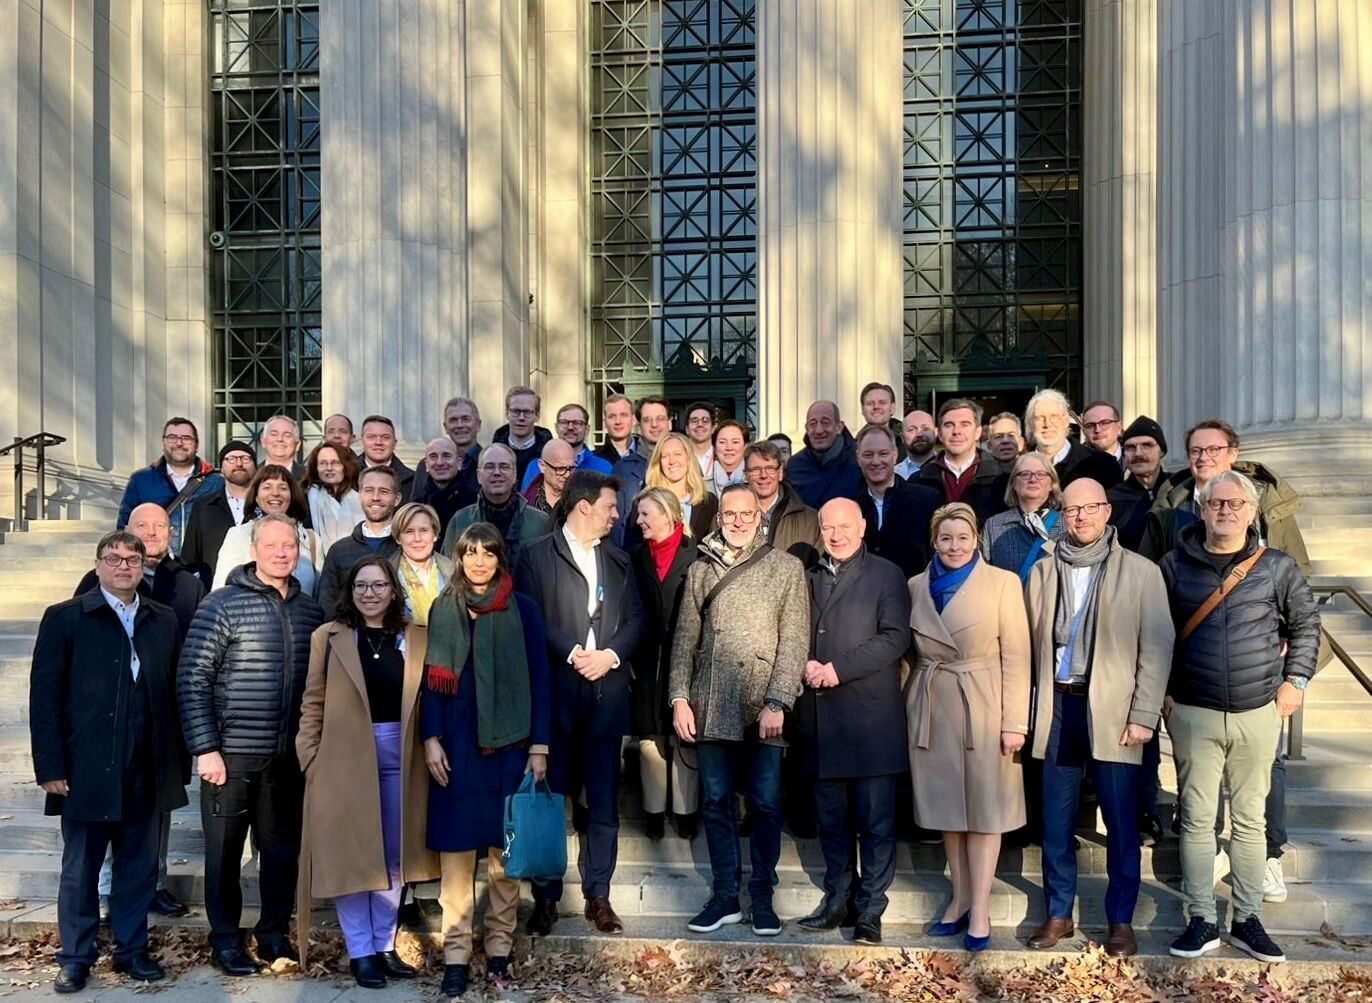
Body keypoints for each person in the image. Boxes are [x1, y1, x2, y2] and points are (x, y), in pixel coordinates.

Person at [1160, 470, 1319, 964]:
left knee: (1250, 822)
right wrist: (1163, 694)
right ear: (1201, 510)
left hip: (1258, 710)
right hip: (1193, 711)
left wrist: (1295, 683)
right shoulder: (1172, 565)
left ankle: (1247, 918)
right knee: (1197, 820)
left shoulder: (1277, 567)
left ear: (1252, 512)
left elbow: (1307, 625)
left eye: (1235, 504)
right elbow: (1152, 632)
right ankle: (1201, 918)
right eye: (1216, 504)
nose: (1225, 511)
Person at [31, 531, 188, 992]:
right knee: (81, 869)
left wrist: (177, 761)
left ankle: (131, 950)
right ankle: (76, 957)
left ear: (143, 565)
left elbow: (175, 693)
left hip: (148, 763)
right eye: (113, 558)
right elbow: (44, 698)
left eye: (132, 559)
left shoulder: (162, 619)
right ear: (98, 565)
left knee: (139, 866)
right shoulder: (66, 618)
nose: (123, 566)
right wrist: (50, 766)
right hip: (86, 768)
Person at [1022, 479, 1173, 958]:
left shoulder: (1142, 573)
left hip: (1115, 710)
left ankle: (1120, 920)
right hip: (1059, 706)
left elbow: (1157, 648)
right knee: (1056, 822)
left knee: (1120, 823)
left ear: (1107, 512)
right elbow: (1028, 647)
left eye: (1090, 508)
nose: (1081, 517)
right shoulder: (1043, 572)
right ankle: (1059, 913)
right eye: (1071, 509)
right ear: (1061, 515)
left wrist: (1144, 714)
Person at [178, 514, 325, 975]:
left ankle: (273, 933)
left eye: (290, 546)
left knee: (282, 852)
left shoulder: (310, 612)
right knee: (224, 852)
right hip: (231, 754)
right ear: (254, 551)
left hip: (287, 759)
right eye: (273, 545)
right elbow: (192, 678)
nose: (283, 553)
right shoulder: (220, 605)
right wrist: (205, 748)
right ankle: (225, 939)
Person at [668, 484, 808, 938]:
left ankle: (763, 895)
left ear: (760, 518)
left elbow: (794, 641)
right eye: (731, 513)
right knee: (716, 801)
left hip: (763, 703)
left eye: (747, 513)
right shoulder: (701, 570)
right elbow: (684, 640)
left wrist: (778, 701)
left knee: (766, 803)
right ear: (719, 517)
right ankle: (725, 894)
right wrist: (679, 699)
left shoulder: (786, 568)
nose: (739, 520)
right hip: (710, 701)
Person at [295, 557, 438, 988]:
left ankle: (383, 945)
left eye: (379, 585)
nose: (370, 593)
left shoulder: (416, 637)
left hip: (403, 756)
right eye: (361, 586)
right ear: (350, 592)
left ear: (394, 591)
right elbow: (313, 701)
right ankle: (360, 952)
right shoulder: (331, 637)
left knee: (393, 856)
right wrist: (311, 757)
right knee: (353, 857)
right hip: (344, 759)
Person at [422, 524, 551, 996]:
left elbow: (540, 680)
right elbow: (430, 683)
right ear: (459, 558)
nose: (479, 562)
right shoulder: (444, 608)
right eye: (470, 553)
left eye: (487, 553)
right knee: (456, 857)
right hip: (456, 746)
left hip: (511, 747)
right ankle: (455, 955)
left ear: (500, 558)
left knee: (504, 858)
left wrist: (540, 745)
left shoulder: (525, 610)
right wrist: (430, 738)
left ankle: (499, 949)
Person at [513, 471, 645, 936]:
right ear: (584, 507)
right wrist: (572, 652)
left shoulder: (619, 559)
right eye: (611, 506)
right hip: (556, 701)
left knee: (604, 804)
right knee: (550, 803)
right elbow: (530, 618)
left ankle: (599, 895)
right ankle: (546, 898)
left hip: (606, 699)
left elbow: (636, 619)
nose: (617, 514)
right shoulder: (533, 555)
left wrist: (609, 656)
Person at [907, 502, 1030, 953]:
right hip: (934, 704)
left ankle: (980, 907)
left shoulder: (1002, 583)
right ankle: (958, 899)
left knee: (984, 811)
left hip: (984, 703)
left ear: (976, 539)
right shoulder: (916, 585)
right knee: (947, 812)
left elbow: (1018, 656)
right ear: (934, 542)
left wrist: (1015, 721)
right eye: (945, 538)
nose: (954, 546)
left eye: (962, 537)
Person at [793, 499, 910, 946]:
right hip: (821, 719)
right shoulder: (807, 574)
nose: (836, 534)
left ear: (862, 526)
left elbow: (895, 637)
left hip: (869, 719)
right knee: (832, 820)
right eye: (828, 526)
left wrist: (836, 669)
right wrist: (802, 663)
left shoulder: (886, 574)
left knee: (876, 822)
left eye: (845, 525)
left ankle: (870, 910)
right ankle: (837, 899)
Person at [1140, 419, 1310, 571]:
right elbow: (1148, 573)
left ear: (1233, 454)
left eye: (1213, 449)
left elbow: (1297, 564)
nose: (1203, 457)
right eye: (1196, 451)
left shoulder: (1267, 500)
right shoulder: (1167, 510)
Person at [629, 488, 701, 841]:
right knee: (650, 738)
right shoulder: (633, 557)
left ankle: (685, 812)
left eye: (645, 514)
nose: (638, 521)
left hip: (685, 658)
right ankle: (654, 812)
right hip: (644, 661)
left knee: (684, 738)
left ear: (668, 514)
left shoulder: (696, 557)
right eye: (637, 515)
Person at [77, 503, 205, 637]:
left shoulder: (191, 586)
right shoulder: (97, 580)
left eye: (160, 525)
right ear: (127, 531)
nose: (151, 532)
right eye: (142, 525)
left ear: (171, 533)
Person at [117, 417, 221, 557]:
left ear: (196, 445)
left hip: (201, 566)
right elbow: (124, 527)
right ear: (163, 442)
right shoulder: (141, 480)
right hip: (154, 564)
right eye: (172, 437)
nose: (179, 443)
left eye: (186, 438)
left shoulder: (216, 483)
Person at [213, 465, 321, 595]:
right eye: (267, 487)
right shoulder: (238, 536)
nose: (275, 493)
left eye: (283, 488)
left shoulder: (312, 540)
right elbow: (220, 591)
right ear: (256, 496)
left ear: (292, 495)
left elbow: (319, 596)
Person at [441, 444, 553, 570]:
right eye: (489, 467)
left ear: (514, 475)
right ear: (478, 476)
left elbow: (548, 572)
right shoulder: (461, 521)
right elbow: (449, 571)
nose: (497, 472)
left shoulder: (539, 522)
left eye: (504, 467)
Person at [855, 423, 942, 579]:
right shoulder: (849, 505)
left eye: (883, 454)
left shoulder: (927, 501)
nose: (875, 461)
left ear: (895, 455)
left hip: (913, 597)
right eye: (868, 454)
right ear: (858, 458)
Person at [318, 465, 404, 617]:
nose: (375, 497)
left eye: (383, 491)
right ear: (360, 496)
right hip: (350, 637)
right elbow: (327, 605)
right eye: (369, 490)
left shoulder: (407, 547)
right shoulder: (339, 550)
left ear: (397, 499)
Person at [913, 398, 1010, 526]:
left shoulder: (1003, 480)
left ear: (978, 432)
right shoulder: (919, 481)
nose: (956, 431)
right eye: (949, 425)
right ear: (940, 433)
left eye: (964, 424)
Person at [980, 453, 1067, 582]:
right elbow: (984, 574)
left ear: (1052, 484)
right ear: (1014, 483)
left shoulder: (1066, 523)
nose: (1033, 479)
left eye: (1041, 474)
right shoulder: (994, 525)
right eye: (1025, 474)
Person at [181, 441, 256, 585]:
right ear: (221, 468)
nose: (239, 463)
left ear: (255, 466)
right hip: (214, 592)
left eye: (245, 458)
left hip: (259, 591)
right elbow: (190, 558)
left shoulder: (266, 507)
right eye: (231, 459)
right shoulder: (203, 506)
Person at [627, 432, 719, 545]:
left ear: (688, 458)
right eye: (665, 456)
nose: (672, 461)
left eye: (677, 454)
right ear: (658, 462)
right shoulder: (643, 503)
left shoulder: (709, 502)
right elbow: (634, 549)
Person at [1023, 390, 1122, 489]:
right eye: (1039, 418)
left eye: (1054, 416)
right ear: (1031, 424)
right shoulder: (1019, 468)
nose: (1047, 424)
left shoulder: (1103, 465)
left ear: (1066, 421)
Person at [743, 440, 820, 567]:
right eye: (756, 469)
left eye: (770, 469)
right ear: (745, 475)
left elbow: (817, 574)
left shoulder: (811, 521)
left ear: (780, 473)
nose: (763, 475)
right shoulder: (726, 517)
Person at [612, 395, 672, 545]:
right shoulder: (623, 469)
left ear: (669, 423)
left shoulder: (684, 464)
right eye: (647, 420)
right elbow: (617, 524)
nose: (654, 425)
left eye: (660, 419)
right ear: (638, 425)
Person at [1107, 416, 1170, 553]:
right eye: (1130, 447)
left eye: (1147, 445)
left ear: (1162, 451)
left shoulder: (1179, 488)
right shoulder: (1111, 499)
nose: (1138, 453)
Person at [786, 401, 862, 509]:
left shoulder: (859, 460)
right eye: (813, 424)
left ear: (839, 427)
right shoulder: (795, 465)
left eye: (825, 423)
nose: (819, 430)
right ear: (807, 429)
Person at [521, 403, 613, 491]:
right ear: (556, 427)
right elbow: (528, 503)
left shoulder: (604, 467)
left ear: (587, 429)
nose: (570, 427)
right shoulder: (537, 466)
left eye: (577, 423)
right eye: (564, 422)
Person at [389, 503, 454, 626]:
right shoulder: (386, 575)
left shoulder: (454, 572)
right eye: (409, 531)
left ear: (435, 535)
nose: (417, 538)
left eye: (424, 530)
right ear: (398, 538)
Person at [411, 396, 482, 504]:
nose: (459, 425)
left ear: (478, 425)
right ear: (445, 427)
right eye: (453, 420)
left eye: (465, 419)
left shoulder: (489, 463)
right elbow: (415, 506)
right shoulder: (425, 465)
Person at [302, 442, 363, 555]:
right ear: (315, 468)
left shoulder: (360, 496)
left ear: (345, 465)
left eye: (335, 463)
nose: (329, 468)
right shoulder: (306, 499)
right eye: (323, 463)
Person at [412, 436, 472, 535]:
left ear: (459, 463)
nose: (439, 462)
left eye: (446, 456)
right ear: (426, 465)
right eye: (433, 457)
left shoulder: (474, 502)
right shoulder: (416, 505)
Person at [493, 386, 553, 483]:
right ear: (507, 413)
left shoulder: (549, 456)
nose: (521, 417)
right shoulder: (492, 454)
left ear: (537, 416)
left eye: (527, 412)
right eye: (515, 411)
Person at [358, 415, 415, 498]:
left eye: (385, 437)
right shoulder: (345, 476)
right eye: (371, 437)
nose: (378, 442)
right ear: (362, 442)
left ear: (395, 443)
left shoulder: (413, 481)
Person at [523, 439, 576, 514]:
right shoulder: (523, 504)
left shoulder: (581, 502)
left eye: (571, 468)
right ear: (542, 466)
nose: (567, 475)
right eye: (560, 469)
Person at [859, 382, 907, 461]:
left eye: (882, 402)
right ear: (862, 410)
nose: (876, 407)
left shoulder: (908, 443)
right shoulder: (852, 447)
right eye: (870, 403)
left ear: (892, 408)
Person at [594, 392, 638, 465]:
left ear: (634, 420)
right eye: (612, 416)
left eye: (623, 415)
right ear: (604, 423)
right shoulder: (595, 460)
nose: (618, 421)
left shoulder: (649, 456)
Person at [894, 409, 937, 479]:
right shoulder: (893, 475)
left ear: (936, 432)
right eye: (911, 430)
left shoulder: (951, 471)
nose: (919, 434)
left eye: (925, 428)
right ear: (902, 438)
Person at [259, 414, 305, 479]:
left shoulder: (309, 478)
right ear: (263, 441)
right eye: (274, 434)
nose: (280, 439)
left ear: (297, 445)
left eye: (287, 435)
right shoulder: (250, 475)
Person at [710, 420, 748, 493]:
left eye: (735, 442)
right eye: (722, 442)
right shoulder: (701, 479)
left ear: (745, 446)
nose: (729, 448)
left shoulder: (754, 478)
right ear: (714, 447)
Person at [1081, 401, 1124, 465]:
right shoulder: (1075, 463)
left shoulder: (1136, 458)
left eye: (1104, 423)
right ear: (1084, 432)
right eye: (1090, 425)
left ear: (1119, 427)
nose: (1097, 430)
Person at [684, 402, 718, 478]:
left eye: (705, 420)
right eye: (694, 420)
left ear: (713, 428)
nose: (700, 424)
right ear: (687, 429)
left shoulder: (722, 456)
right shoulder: (679, 458)